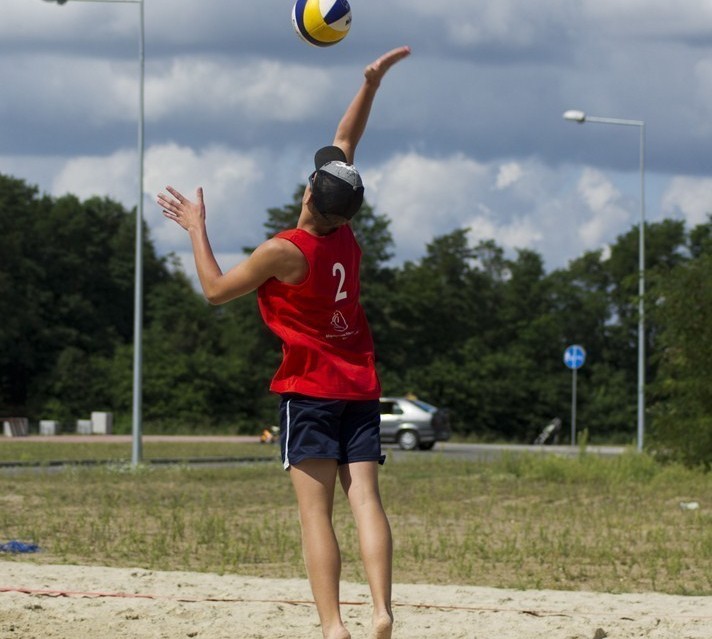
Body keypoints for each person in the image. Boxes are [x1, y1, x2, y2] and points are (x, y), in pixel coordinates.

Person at [157, 45, 411, 639]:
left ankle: (333, 626)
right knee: (367, 502)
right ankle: (381, 612)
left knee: (313, 513)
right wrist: (369, 85)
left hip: (311, 387)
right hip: (360, 383)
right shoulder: (346, 235)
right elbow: (346, 143)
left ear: (308, 193)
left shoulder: (286, 250)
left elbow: (217, 292)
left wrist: (197, 228)